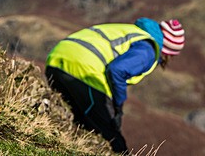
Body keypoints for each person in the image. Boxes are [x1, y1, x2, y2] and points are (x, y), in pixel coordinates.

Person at [45, 18, 185, 153]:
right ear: (168, 52)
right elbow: (117, 70)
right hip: (84, 73)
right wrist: (118, 104)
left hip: (56, 60)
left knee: (81, 123)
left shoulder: (132, 31)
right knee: (114, 141)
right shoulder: (148, 49)